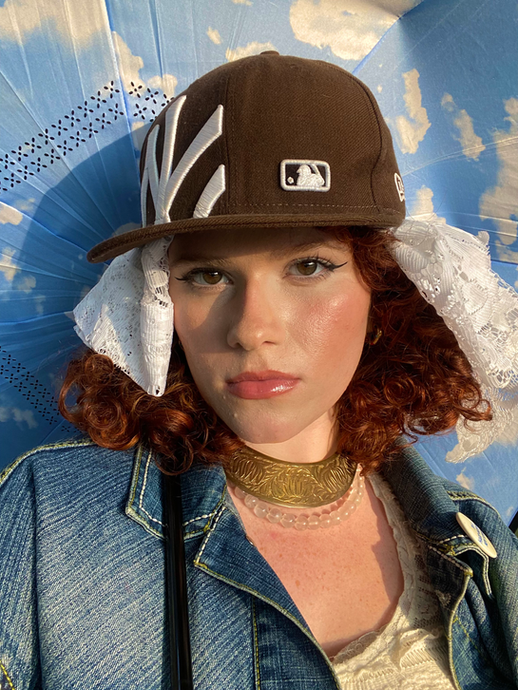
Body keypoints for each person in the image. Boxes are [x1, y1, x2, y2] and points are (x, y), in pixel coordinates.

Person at [1, 52, 517, 690]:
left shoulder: (480, 545)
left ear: (383, 289)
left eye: (308, 266)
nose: (250, 329)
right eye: (207, 274)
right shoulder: (51, 523)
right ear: (158, 302)